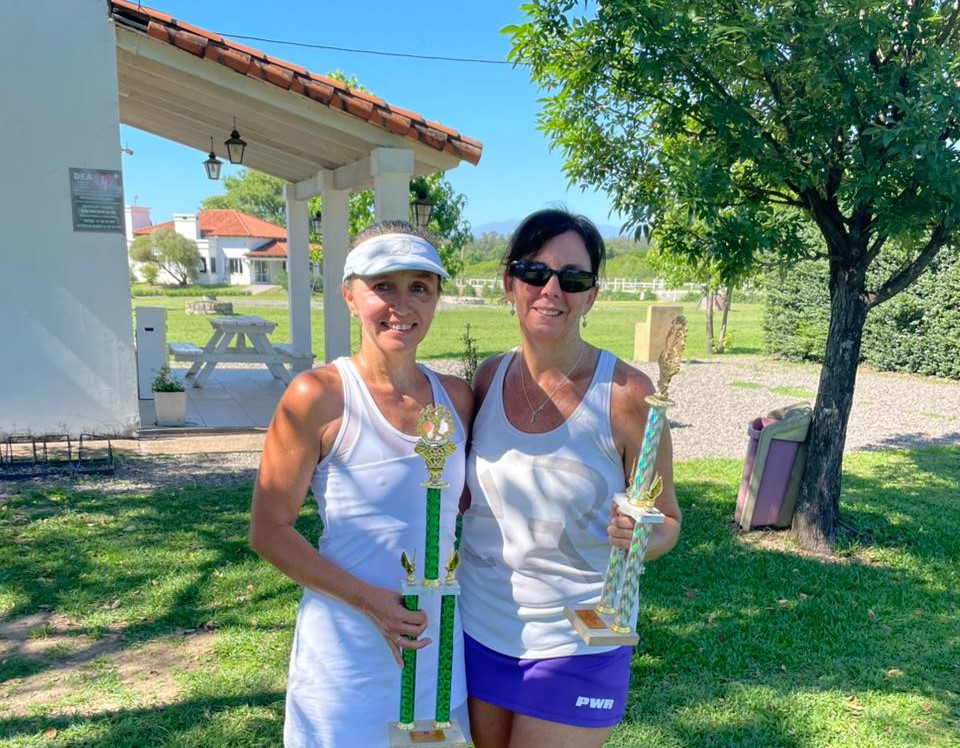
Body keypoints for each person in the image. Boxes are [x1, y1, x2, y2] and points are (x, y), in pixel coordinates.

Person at [457, 209, 683, 748]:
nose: (551, 289)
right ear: (510, 283)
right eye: (534, 272)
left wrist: (641, 537)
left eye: (573, 278)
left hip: (578, 641)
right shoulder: (488, 377)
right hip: (480, 629)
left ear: (591, 295)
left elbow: (668, 519)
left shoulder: (628, 395)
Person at [249, 221, 473, 748]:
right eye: (382, 286)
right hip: (345, 657)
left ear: (437, 297)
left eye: (419, 287)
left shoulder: (458, 398)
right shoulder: (319, 395)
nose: (402, 304)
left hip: (437, 653)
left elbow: (466, 507)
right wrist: (368, 600)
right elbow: (269, 529)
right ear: (350, 296)